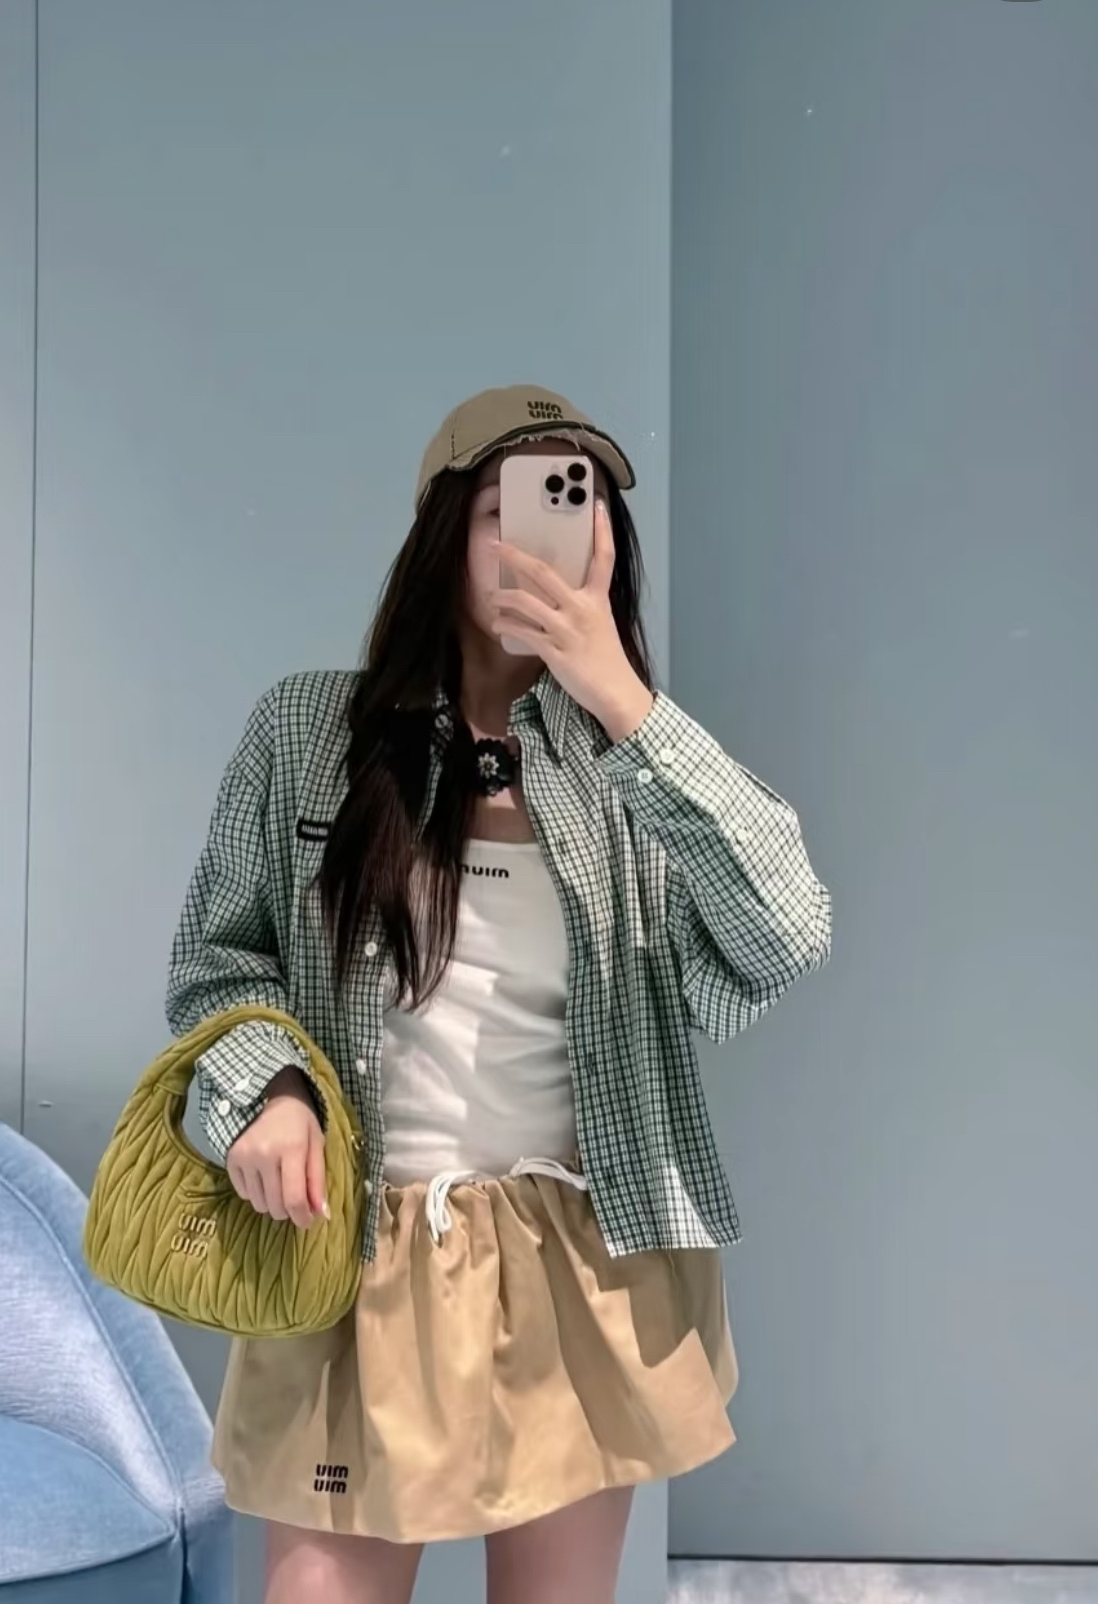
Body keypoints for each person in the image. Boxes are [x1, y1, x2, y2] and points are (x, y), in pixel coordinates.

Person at [166, 384, 832, 1604]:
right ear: (440, 536)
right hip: (353, 1253)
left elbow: (783, 934)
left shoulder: (636, 766)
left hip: (572, 1255)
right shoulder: (308, 732)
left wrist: (624, 701)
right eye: (505, 508)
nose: (550, 534)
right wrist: (268, 1090)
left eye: (583, 504)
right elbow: (218, 962)